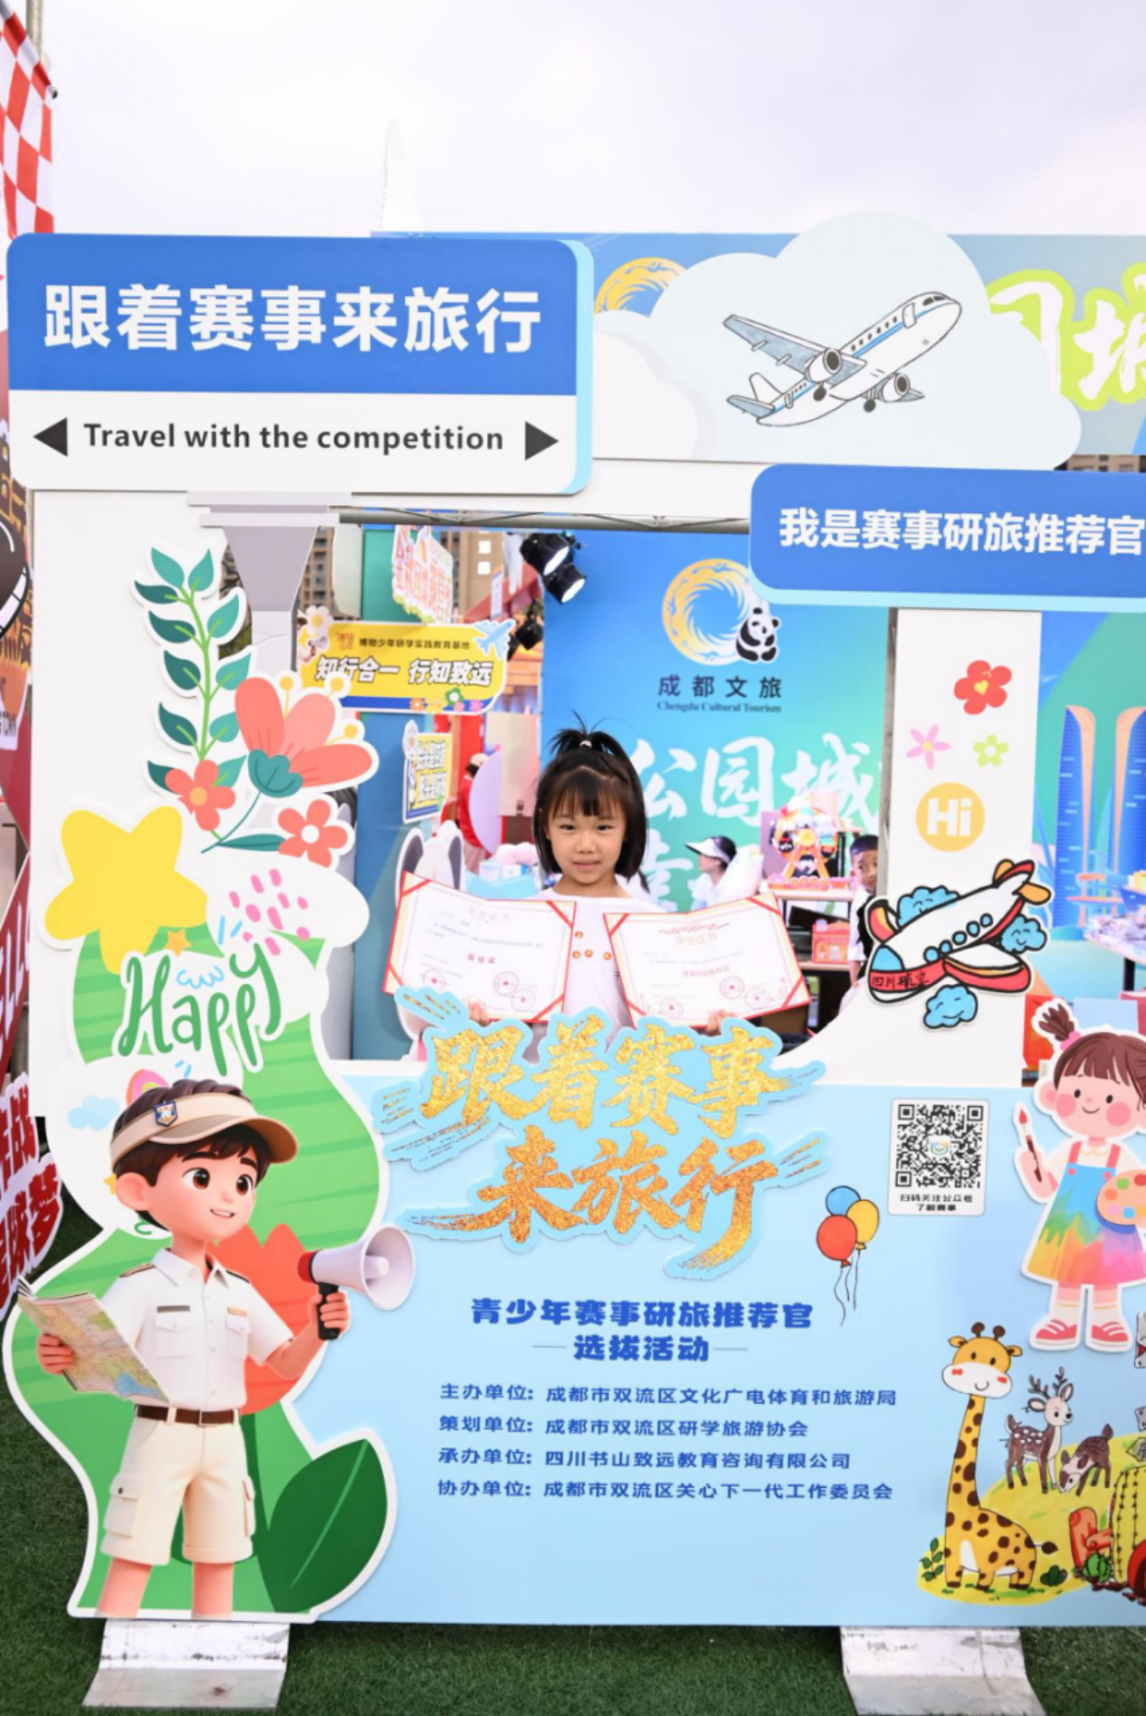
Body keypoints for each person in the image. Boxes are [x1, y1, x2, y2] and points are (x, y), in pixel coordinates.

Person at [34, 1079, 351, 1619]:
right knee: (134, 1549)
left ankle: (215, 1647)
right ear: (138, 1192)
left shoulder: (240, 1291)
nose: (229, 1196)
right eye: (202, 1176)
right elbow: (97, 1349)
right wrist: (59, 1353)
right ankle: (116, 1641)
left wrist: (317, 1331)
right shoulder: (139, 1286)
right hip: (160, 1434)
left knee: (221, 1556)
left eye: (244, 1181)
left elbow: (282, 1361)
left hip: (226, 1439)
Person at [1017, 1001, 1146, 1352]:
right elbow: (1047, 1190)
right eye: (1076, 1093)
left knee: (1107, 1277)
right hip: (1068, 1228)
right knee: (1067, 1274)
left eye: (1110, 1098)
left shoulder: (1121, 1156)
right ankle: (1062, 1319)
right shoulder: (1068, 1151)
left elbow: (1137, 1193)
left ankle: (1107, 1321)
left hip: (1112, 1229)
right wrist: (1032, 1167)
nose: (1090, 1104)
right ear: (1053, 1094)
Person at [847, 834, 879, 988]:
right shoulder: (860, 903)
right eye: (862, 867)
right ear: (854, 873)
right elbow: (854, 951)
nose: (872, 872)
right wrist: (855, 988)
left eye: (876, 864)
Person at [686, 834, 738, 909]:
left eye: (705, 855)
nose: (700, 858)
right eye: (700, 854)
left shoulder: (736, 884)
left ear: (719, 861)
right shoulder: (704, 879)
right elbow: (695, 911)